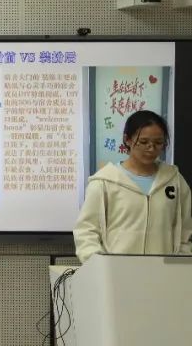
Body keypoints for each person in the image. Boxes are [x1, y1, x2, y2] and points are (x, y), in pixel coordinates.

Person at [74, 110, 192, 263]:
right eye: (143, 142)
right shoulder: (105, 181)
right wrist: (100, 266)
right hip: (117, 272)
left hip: (163, 272)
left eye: (158, 143)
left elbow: (185, 231)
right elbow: (86, 231)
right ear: (127, 139)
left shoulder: (174, 180)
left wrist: (181, 262)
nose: (151, 148)